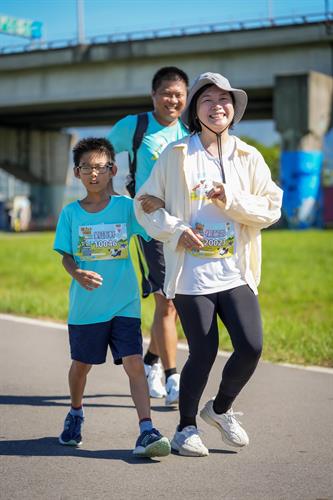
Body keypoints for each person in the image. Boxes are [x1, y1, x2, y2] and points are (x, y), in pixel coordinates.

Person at [135, 72, 283, 457]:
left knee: (251, 346)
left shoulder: (249, 157)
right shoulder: (177, 155)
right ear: (194, 111)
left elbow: (271, 208)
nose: (218, 106)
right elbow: (145, 202)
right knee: (203, 350)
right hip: (191, 274)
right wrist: (174, 228)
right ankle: (186, 428)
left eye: (225, 100)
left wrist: (229, 199)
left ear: (234, 110)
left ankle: (220, 409)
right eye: (207, 100)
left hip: (236, 270)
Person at [53, 137, 170, 458]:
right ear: (77, 173)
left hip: (125, 303)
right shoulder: (70, 214)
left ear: (113, 170)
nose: (94, 174)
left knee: (134, 363)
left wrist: (160, 206)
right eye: (86, 168)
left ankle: (147, 429)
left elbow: (154, 230)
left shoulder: (125, 207)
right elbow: (65, 255)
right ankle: (75, 412)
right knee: (81, 366)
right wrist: (76, 272)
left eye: (101, 167)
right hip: (86, 308)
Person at [108, 66, 189, 404]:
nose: (173, 100)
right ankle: (173, 378)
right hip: (148, 227)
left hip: (182, 228)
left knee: (173, 304)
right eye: (167, 93)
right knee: (166, 300)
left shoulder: (189, 130)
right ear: (154, 95)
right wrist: (119, 201)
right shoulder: (135, 126)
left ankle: (152, 361)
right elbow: (101, 155)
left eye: (179, 95)